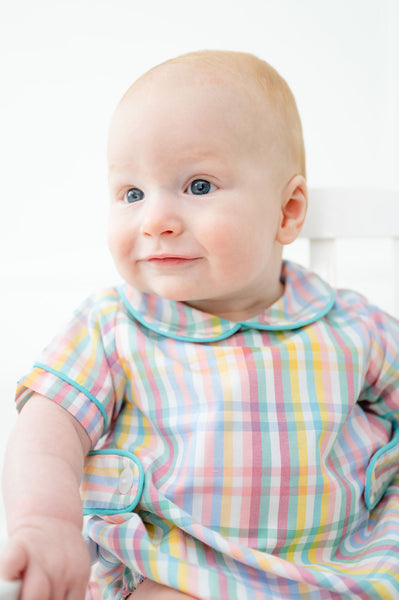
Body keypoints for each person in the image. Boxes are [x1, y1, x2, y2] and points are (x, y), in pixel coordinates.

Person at [1, 49, 399, 600]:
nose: (156, 220)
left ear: (287, 211)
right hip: (175, 572)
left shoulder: (353, 325)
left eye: (199, 186)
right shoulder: (113, 325)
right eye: (132, 194)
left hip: (342, 570)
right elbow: (47, 431)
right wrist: (45, 522)